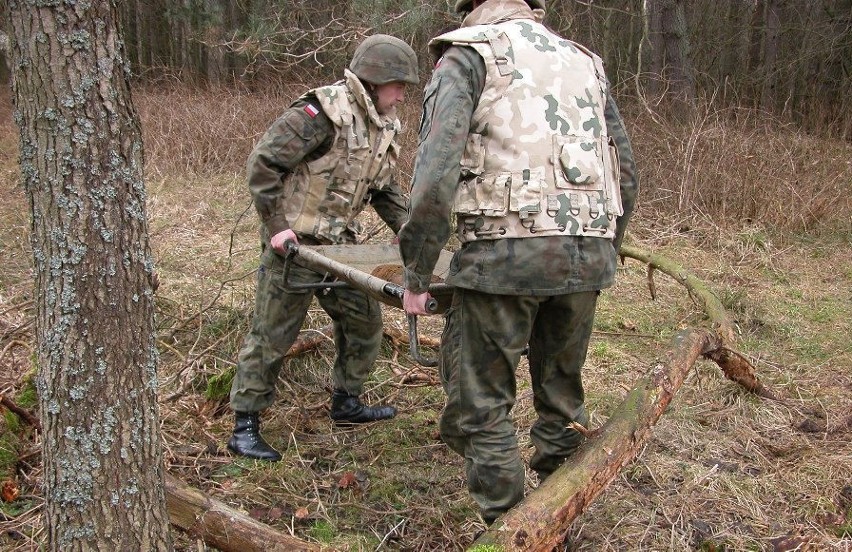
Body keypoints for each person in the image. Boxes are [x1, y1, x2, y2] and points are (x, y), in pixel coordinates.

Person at [398, 0, 639, 524]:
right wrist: (602, 249)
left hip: (502, 256)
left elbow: (434, 175)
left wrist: (417, 271)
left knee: (481, 407)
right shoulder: (584, 61)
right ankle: (563, 520)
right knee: (562, 402)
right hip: (588, 253)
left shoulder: (468, 53)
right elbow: (626, 172)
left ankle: (513, 530)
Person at [228, 34, 419, 461]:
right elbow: (264, 163)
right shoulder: (321, 113)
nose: (403, 95)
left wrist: (406, 225)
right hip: (294, 246)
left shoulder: (383, 125)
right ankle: (245, 425)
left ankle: (346, 402)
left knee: (364, 320)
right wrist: (276, 227)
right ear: (375, 80)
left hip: (341, 248)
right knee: (273, 333)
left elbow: (383, 187)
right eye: (399, 85)